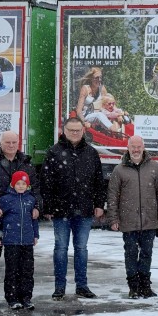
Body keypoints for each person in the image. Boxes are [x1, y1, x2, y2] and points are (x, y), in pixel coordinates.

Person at [42, 116, 106, 300]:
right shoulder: (54, 152)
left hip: (84, 210)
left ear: (83, 131)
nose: (75, 133)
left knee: (81, 249)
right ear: (64, 131)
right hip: (61, 211)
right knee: (60, 248)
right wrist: (48, 206)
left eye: (78, 130)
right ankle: (59, 287)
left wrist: (99, 204)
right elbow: (46, 182)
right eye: (71, 130)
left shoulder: (91, 153)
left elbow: (98, 182)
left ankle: (82, 286)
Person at [0, 131, 41, 305]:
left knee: (21, 262)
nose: (11, 145)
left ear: (18, 142)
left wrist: (37, 206)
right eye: (7, 142)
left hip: (20, 220)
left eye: (14, 142)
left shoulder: (26, 163)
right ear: (0, 143)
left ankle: (21, 295)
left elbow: (35, 188)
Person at [107, 135, 158, 299]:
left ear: (143, 147)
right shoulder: (119, 170)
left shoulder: (154, 167)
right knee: (131, 254)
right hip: (128, 221)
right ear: (127, 147)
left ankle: (145, 286)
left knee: (147, 253)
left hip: (149, 221)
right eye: (132, 146)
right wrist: (113, 219)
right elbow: (112, 196)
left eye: (138, 146)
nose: (135, 150)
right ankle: (133, 287)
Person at [0, 171, 39, 310]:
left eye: (24, 184)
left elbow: (34, 220)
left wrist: (35, 235)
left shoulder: (31, 200)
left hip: (27, 241)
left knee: (27, 271)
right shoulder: (6, 200)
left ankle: (26, 298)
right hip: (11, 241)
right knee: (12, 270)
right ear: (13, 184)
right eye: (18, 183)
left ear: (27, 185)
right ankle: (12, 298)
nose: (21, 186)